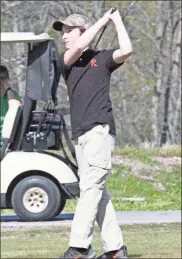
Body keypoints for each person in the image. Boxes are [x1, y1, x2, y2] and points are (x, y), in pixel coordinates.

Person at [53, 8, 132, 259]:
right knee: (97, 191)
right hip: (80, 135)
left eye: (68, 31)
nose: (64, 36)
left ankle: (79, 248)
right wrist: (102, 21)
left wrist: (116, 19)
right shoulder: (65, 60)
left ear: (82, 31)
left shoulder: (103, 58)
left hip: (99, 130)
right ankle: (115, 250)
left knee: (91, 187)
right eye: (62, 31)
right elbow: (78, 48)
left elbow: (127, 50)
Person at [0, 65, 21, 147]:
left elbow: (16, 110)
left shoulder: (13, 95)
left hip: (8, 143)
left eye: (3, 78)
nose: (1, 81)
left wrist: (7, 88)